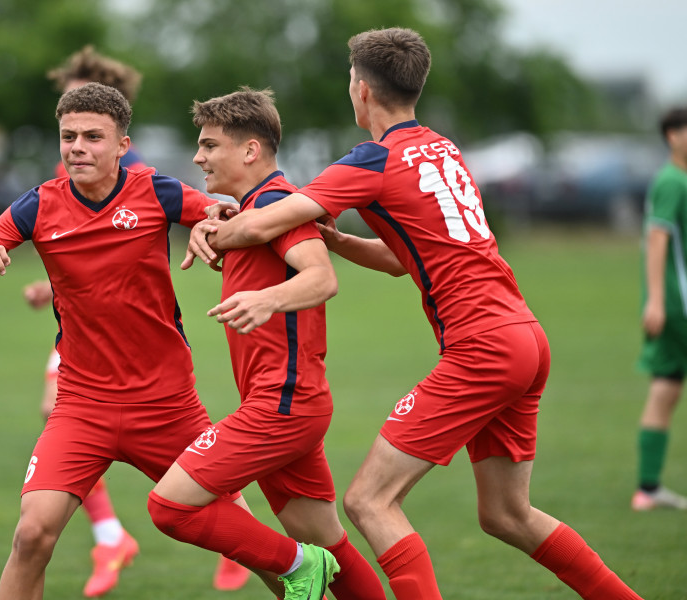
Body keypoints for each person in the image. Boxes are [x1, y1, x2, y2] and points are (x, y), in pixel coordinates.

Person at [184, 27, 645, 600]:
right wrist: (339, 240)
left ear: (361, 91)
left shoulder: (373, 157)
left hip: (482, 346)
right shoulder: (442, 147)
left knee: (368, 501)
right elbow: (405, 260)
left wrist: (211, 229)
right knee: (506, 514)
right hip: (524, 336)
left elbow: (262, 219)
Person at [0, 82, 255, 600]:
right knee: (31, 535)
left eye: (92, 137)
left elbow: (228, 216)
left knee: (246, 538)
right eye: (68, 136)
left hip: (166, 404)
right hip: (83, 406)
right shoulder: (38, 205)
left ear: (122, 145)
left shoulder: (156, 191)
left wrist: (212, 221)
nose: (77, 147)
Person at [24, 45, 250, 596]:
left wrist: (210, 218)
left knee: (204, 489)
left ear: (118, 135)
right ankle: (108, 535)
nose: (75, 135)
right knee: (57, 417)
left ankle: (240, 537)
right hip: (87, 344)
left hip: (146, 364)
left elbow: (162, 221)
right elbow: (75, 249)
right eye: (66, 118)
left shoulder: (136, 177)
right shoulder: (61, 176)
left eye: (89, 126)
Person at [147, 87, 388, 600]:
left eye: (210, 145)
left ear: (250, 150)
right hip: (285, 402)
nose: (198, 157)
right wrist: (213, 225)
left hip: (282, 404)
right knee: (332, 546)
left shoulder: (280, 205)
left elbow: (321, 278)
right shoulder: (254, 210)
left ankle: (297, 567)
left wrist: (268, 299)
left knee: (168, 506)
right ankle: (307, 563)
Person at [632, 106, 687, 512]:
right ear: (672, 135)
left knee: (666, 388)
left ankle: (648, 488)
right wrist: (655, 299)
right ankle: (647, 488)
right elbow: (656, 240)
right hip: (678, 306)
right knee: (665, 388)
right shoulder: (672, 181)